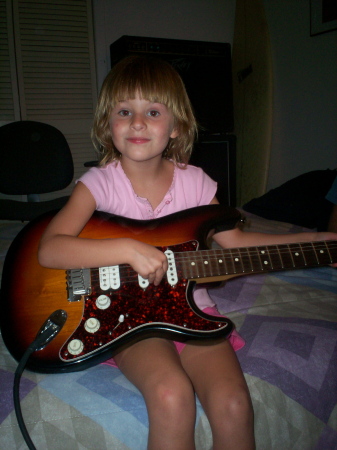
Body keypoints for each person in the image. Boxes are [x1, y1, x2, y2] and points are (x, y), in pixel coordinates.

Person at [38, 56, 337, 450]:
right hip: (126, 318)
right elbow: (49, 249)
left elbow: (239, 243)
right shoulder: (99, 184)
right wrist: (128, 248)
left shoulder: (195, 183)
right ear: (107, 124)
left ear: (176, 126)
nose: (138, 122)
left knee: (233, 404)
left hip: (195, 311)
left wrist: (318, 244)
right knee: (171, 396)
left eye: (153, 111)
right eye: (125, 111)